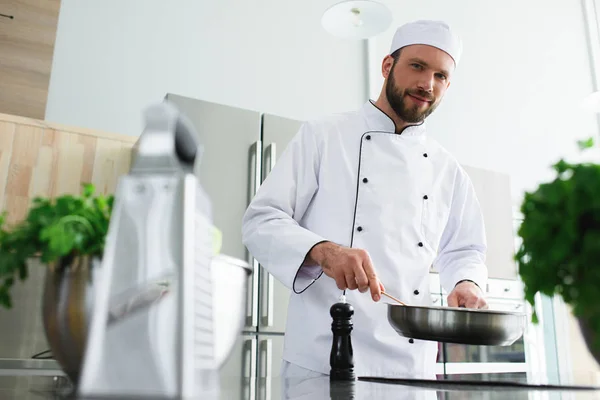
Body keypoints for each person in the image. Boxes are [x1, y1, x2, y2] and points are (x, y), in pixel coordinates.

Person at [241, 19, 489, 380]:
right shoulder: (324, 136)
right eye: (417, 67)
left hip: (411, 367)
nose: (427, 84)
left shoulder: (447, 169)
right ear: (388, 65)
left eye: (440, 76)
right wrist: (325, 251)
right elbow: (261, 220)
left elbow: (465, 249)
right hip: (323, 358)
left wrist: (467, 283)